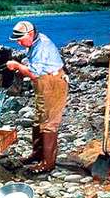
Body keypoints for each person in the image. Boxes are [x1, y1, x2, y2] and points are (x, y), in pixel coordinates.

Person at [5, 21, 68, 173]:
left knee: (49, 122)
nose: (19, 43)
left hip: (53, 83)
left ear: (31, 34)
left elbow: (33, 73)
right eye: (17, 40)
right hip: (43, 82)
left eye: (20, 39)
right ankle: (37, 154)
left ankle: (48, 163)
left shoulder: (42, 46)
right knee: (39, 118)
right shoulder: (35, 41)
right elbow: (34, 67)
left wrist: (19, 66)